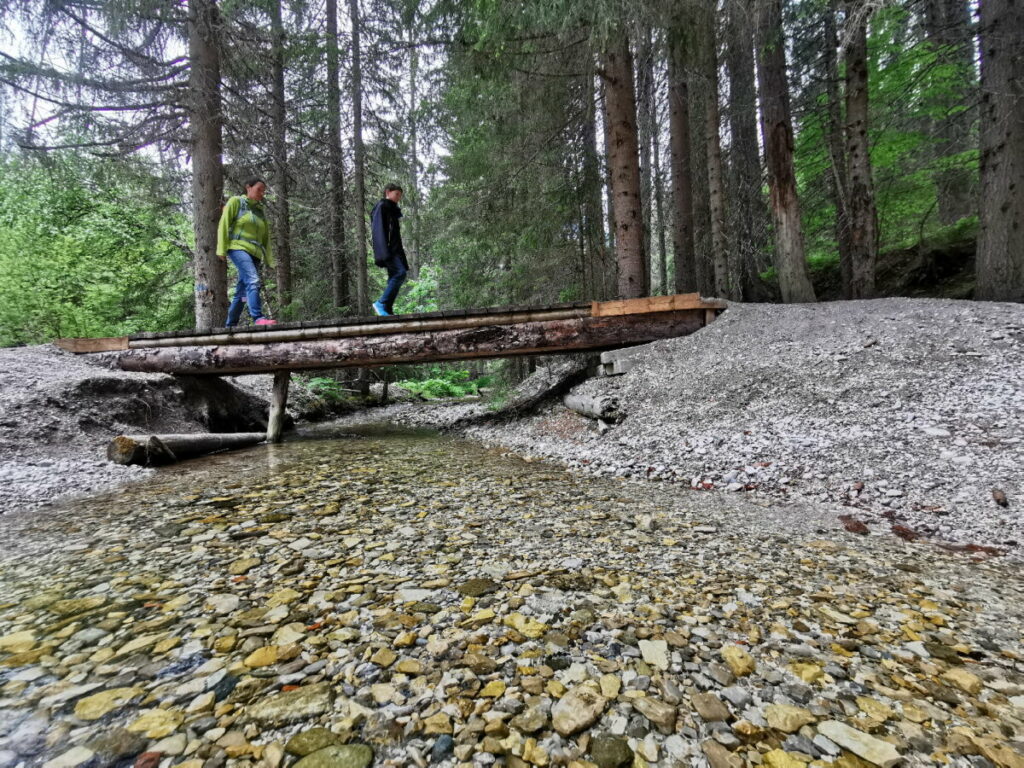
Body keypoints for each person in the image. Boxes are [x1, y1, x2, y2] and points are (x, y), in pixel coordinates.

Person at [217, 177, 277, 327]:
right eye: (259, 189)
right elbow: (223, 225)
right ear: (248, 187)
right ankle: (258, 318)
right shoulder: (236, 202)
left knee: (242, 293)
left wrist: (270, 260)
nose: (262, 193)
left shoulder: (259, 211)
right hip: (238, 248)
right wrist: (221, 248)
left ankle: (230, 325)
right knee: (253, 280)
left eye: (264, 191)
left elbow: (266, 237)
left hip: (255, 253)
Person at [370, 183, 408, 316]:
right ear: (388, 192)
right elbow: (378, 231)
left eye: (400, 196)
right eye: (396, 194)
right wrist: (383, 252)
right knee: (400, 273)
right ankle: (381, 303)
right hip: (388, 250)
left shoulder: (391, 209)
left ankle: (387, 308)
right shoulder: (382, 207)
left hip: (394, 250)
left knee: (394, 275)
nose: (398, 198)